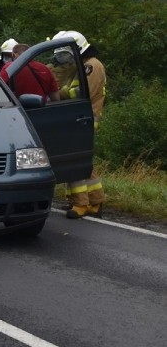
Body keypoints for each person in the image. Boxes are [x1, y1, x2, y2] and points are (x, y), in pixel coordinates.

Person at [53, 31, 107, 219]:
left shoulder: (91, 66)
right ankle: (94, 201)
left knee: (74, 161)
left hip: (84, 119)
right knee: (83, 163)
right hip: (79, 118)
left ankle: (81, 204)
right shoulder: (82, 65)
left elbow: (83, 92)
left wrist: (60, 93)